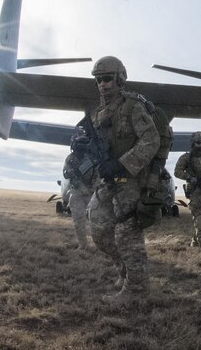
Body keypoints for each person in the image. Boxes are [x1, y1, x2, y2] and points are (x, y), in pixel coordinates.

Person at [83, 56, 160, 306]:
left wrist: (122, 163)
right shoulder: (97, 115)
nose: (102, 84)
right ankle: (125, 272)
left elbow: (151, 140)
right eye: (98, 80)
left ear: (119, 78)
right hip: (107, 182)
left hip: (131, 181)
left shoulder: (132, 106)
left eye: (107, 78)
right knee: (98, 227)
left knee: (127, 236)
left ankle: (136, 290)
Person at [62, 131, 95, 250]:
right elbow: (65, 174)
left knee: (96, 220)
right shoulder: (70, 158)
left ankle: (100, 244)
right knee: (78, 221)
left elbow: (97, 175)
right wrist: (74, 172)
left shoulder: (92, 157)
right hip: (77, 192)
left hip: (91, 192)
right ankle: (83, 245)